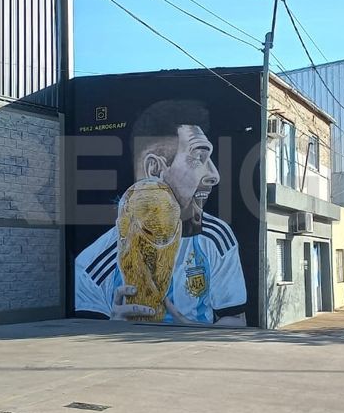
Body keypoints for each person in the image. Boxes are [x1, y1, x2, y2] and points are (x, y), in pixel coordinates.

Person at [74, 99, 247, 326]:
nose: (215, 175)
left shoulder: (215, 236)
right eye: (199, 157)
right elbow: (81, 342)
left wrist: (194, 331)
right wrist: (110, 326)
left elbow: (236, 320)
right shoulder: (91, 266)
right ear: (154, 169)